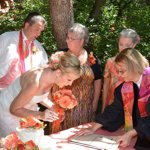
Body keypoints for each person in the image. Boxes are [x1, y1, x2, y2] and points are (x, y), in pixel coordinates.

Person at [77, 48, 150, 149]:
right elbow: (116, 109)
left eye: (122, 71)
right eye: (118, 71)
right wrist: (93, 128)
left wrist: (131, 134)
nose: (119, 75)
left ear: (134, 66)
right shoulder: (125, 88)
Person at [0, 52, 81, 138]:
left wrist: (54, 108)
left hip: (26, 109)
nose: (70, 84)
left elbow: (41, 96)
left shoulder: (50, 76)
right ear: (58, 72)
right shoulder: (35, 83)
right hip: (8, 111)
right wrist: (41, 115)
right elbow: (14, 109)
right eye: (69, 79)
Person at [49, 23, 102, 133]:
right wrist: (50, 102)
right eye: (67, 37)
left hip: (84, 108)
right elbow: (48, 78)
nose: (68, 40)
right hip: (61, 107)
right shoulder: (59, 56)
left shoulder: (93, 59)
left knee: (81, 136)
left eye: (72, 38)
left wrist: (95, 103)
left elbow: (98, 81)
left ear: (82, 41)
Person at [0, 12, 48, 90]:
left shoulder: (38, 47)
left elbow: (44, 68)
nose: (39, 34)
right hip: (2, 89)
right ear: (26, 25)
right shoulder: (7, 38)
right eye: (37, 30)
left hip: (24, 92)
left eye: (41, 31)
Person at [102, 28, 140, 112]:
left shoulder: (139, 63)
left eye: (127, 45)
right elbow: (106, 86)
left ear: (134, 45)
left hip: (134, 107)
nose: (123, 48)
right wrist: (103, 108)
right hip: (113, 106)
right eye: (121, 44)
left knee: (130, 125)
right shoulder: (110, 62)